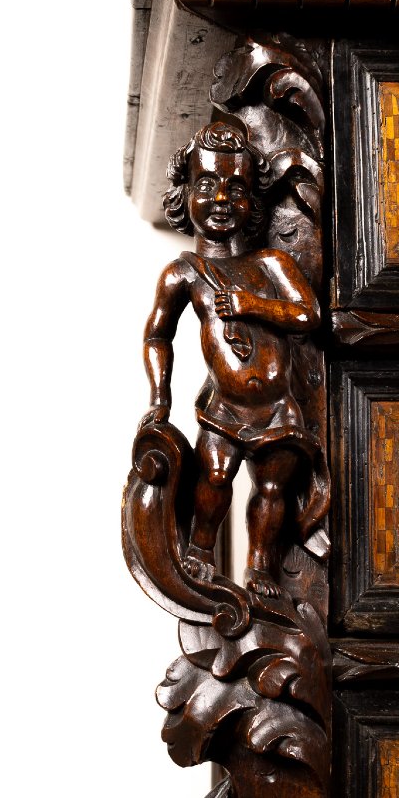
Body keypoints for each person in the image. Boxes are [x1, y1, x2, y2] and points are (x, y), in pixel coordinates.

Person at [139, 121, 321, 598]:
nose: (221, 198)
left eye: (235, 187)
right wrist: (161, 398)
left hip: (279, 408)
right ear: (184, 194)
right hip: (223, 408)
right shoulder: (185, 273)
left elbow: (308, 313)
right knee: (214, 478)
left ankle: (259, 568)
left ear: (252, 200)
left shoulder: (270, 266)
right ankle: (201, 549)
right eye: (206, 185)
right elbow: (158, 336)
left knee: (272, 489)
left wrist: (251, 305)